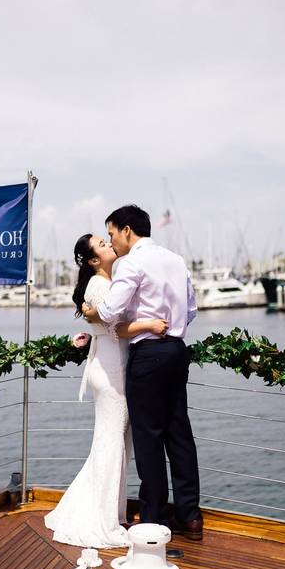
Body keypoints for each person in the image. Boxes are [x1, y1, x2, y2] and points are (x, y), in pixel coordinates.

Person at [81, 205, 202, 540]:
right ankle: (190, 517)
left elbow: (110, 311)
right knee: (179, 433)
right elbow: (191, 310)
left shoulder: (131, 262)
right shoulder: (176, 260)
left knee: (148, 437)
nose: (112, 241)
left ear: (127, 231)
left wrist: (90, 310)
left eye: (112, 234)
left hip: (148, 354)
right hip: (177, 350)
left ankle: (153, 517)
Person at [44, 233, 169, 548]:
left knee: (117, 443)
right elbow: (115, 328)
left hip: (115, 364)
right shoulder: (99, 286)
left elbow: (104, 324)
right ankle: (103, 519)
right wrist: (150, 325)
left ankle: (111, 512)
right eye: (102, 244)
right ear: (93, 260)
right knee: (112, 442)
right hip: (111, 368)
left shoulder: (109, 282)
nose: (109, 244)